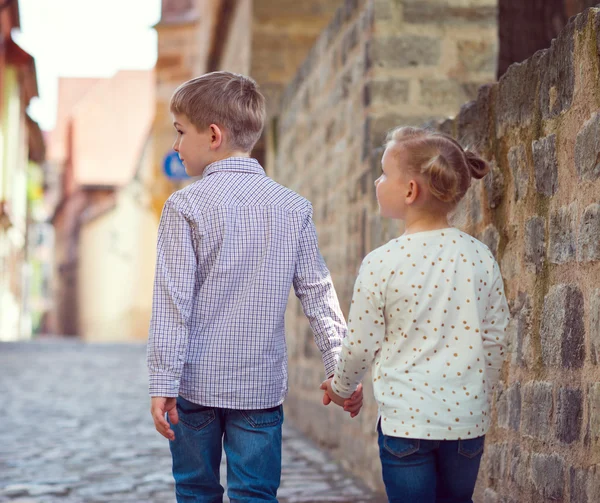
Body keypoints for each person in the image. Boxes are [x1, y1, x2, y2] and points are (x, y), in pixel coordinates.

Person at [147, 71, 362, 503]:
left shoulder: (184, 206)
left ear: (212, 135)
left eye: (179, 132)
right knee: (255, 494)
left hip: (195, 386)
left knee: (194, 490)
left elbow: (172, 303)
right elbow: (319, 295)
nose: (175, 145)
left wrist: (162, 381)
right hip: (259, 389)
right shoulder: (292, 208)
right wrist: (342, 370)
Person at [321, 126, 510, 503]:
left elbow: (360, 345)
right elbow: (496, 338)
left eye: (384, 173)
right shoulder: (479, 257)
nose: (377, 181)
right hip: (466, 429)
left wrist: (340, 388)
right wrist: (476, 394)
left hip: (406, 427)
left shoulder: (381, 263)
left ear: (409, 191)